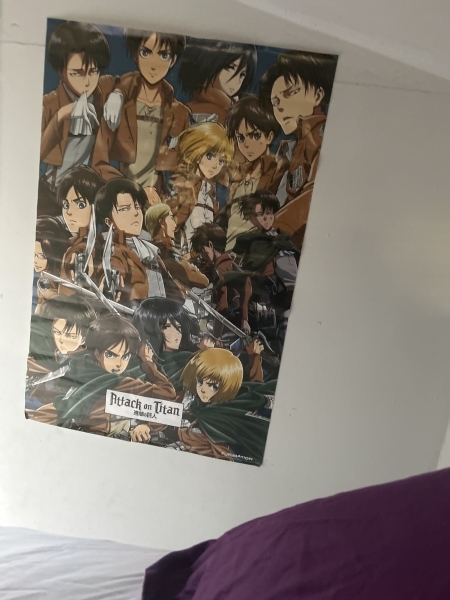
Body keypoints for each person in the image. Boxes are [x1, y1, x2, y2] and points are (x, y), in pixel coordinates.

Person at [28, 314, 176, 441]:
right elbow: (168, 394)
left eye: (125, 357)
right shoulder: (120, 383)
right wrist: (148, 363)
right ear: (96, 353)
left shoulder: (80, 366)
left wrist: (146, 426)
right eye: (111, 355)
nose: (119, 364)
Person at [92, 29, 189, 203]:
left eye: (163, 55)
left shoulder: (179, 114)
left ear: (173, 60)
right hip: (122, 201)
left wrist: (170, 202)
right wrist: (128, 190)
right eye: (146, 53)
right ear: (136, 55)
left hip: (158, 203)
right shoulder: (118, 104)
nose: (153, 64)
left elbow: (185, 172)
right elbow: (98, 162)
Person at [259, 51, 337, 249]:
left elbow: (316, 191)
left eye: (291, 93)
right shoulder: (289, 150)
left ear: (317, 95)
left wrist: (274, 231)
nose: (280, 107)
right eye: (275, 102)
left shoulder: (322, 137)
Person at [39, 21, 116, 217]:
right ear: (61, 71)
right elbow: (35, 153)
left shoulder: (101, 93)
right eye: (77, 73)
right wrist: (61, 116)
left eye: (93, 72)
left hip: (85, 193)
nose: (87, 81)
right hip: (51, 192)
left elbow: (123, 83)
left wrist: (118, 96)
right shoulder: (49, 103)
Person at [177, 348, 274, 464]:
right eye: (200, 382)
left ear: (226, 386)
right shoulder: (243, 392)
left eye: (213, 386)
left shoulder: (211, 416)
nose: (203, 389)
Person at [233, 190, 299, 345]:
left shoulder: (284, 239)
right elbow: (248, 281)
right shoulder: (254, 243)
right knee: (270, 344)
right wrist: (244, 318)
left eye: (269, 213)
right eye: (259, 214)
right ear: (251, 218)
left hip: (294, 299)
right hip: (266, 303)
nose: (265, 218)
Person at [220, 95, 281, 251]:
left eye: (255, 136)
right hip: (229, 255)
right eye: (241, 138)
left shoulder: (276, 172)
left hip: (255, 254)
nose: (246, 144)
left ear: (269, 137)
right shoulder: (240, 177)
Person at [94, 178, 166, 306]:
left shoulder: (148, 248)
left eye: (137, 207)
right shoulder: (109, 247)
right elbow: (114, 262)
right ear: (109, 222)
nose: (135, 213)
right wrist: (111, 277)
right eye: (124, 209)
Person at [167, 122, 234, 254]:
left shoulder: (210, 191)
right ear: (197, 154)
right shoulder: (184, 185)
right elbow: (170, 224)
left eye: (221, 161)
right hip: (182, 254)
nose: (215, 165)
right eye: (210, 156)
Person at [27, 295, 97, 407]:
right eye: (57, 332)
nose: (61, 340)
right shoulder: (43, 348)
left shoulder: (87, 364)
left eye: (70, 336)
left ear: (84, 338)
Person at [190, 223, 251, 338]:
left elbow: (222, 305)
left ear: (210, 245)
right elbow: (247, 284)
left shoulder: (219, 270)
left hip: (231, 322)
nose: (202, 256)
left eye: (202, 250)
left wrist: (217, 335)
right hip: (241, 319)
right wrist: (245, 318)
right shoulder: (231, 262)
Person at [178, 39, 257, 125]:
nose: (237, 81)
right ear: (207, 64)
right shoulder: (204, 111)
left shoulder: (230, 109)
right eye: (229, 68)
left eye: (242, 75)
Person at [145, 203, 209, 302]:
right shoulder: (165, 253)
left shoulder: (154, 250)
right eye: (171, 218)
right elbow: (203, 281)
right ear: (162, 223)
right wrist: (191, 269)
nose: (175, 225)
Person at [56, 166, 105, 291]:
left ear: (96, 207)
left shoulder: (88, 246)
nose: (69, 212)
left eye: (80, 204)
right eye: (66, 205)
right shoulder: (71, 242)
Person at [33, 218, 72, 314]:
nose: (35, 261)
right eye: (33, 254)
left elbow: (60, 304)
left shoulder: (44, 281)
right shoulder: (46, 277)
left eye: (42, 256)